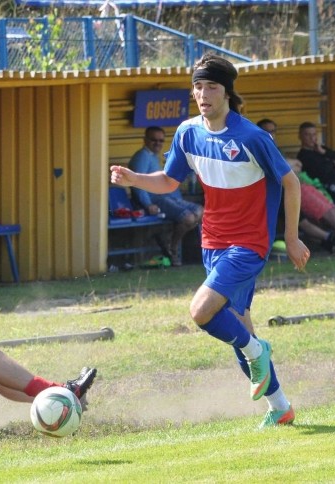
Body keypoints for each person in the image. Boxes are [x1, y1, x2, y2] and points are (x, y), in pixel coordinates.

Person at [111, 53, 310, 428]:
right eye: (198, 87)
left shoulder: (252, 136)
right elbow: (169, 181)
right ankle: (280, 406)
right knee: (238, 325)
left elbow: (290, 182)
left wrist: (292, 236)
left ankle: (258, 351)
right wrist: (135, 179)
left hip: (249, 243)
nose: (204, 94)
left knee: (202, 312)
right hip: (212, 242)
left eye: (212, 87)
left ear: (227, 93)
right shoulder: (189, 132)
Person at [256, 119, 335, 253]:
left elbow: (297, 165)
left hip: (303, 188)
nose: (270, 134)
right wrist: (288, 166)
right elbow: (281, 168)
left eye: (273, 131)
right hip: (292, 192)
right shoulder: (260, 148)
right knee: (331, 214)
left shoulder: (275, 148)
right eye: (266, 131)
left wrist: (287, 166)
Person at [128, 126, 203, 266]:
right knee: (188, 217)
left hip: (167, 197)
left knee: (200, 211)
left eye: (161, 140)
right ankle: (172, 247)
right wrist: (147, 204)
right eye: (153, 140)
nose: (158, 143)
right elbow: (136, 183)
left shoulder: (154, 157)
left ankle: (170, 242)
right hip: (155, 201)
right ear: (145, 140)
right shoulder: (142, 156)